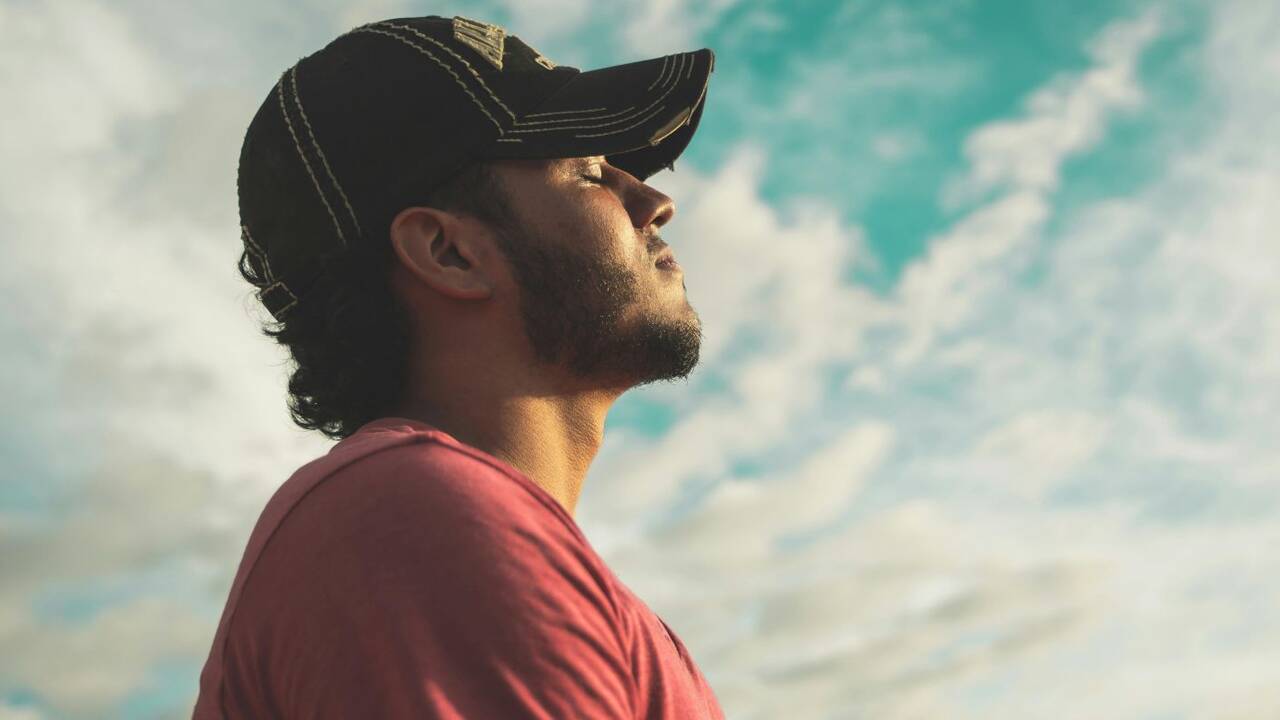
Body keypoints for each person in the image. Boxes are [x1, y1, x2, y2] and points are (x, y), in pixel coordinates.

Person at [193, 14, 723, 719]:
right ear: (449, 253)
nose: (656, 202)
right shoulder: (415, 519)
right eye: (589, 172)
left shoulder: (445, 533)